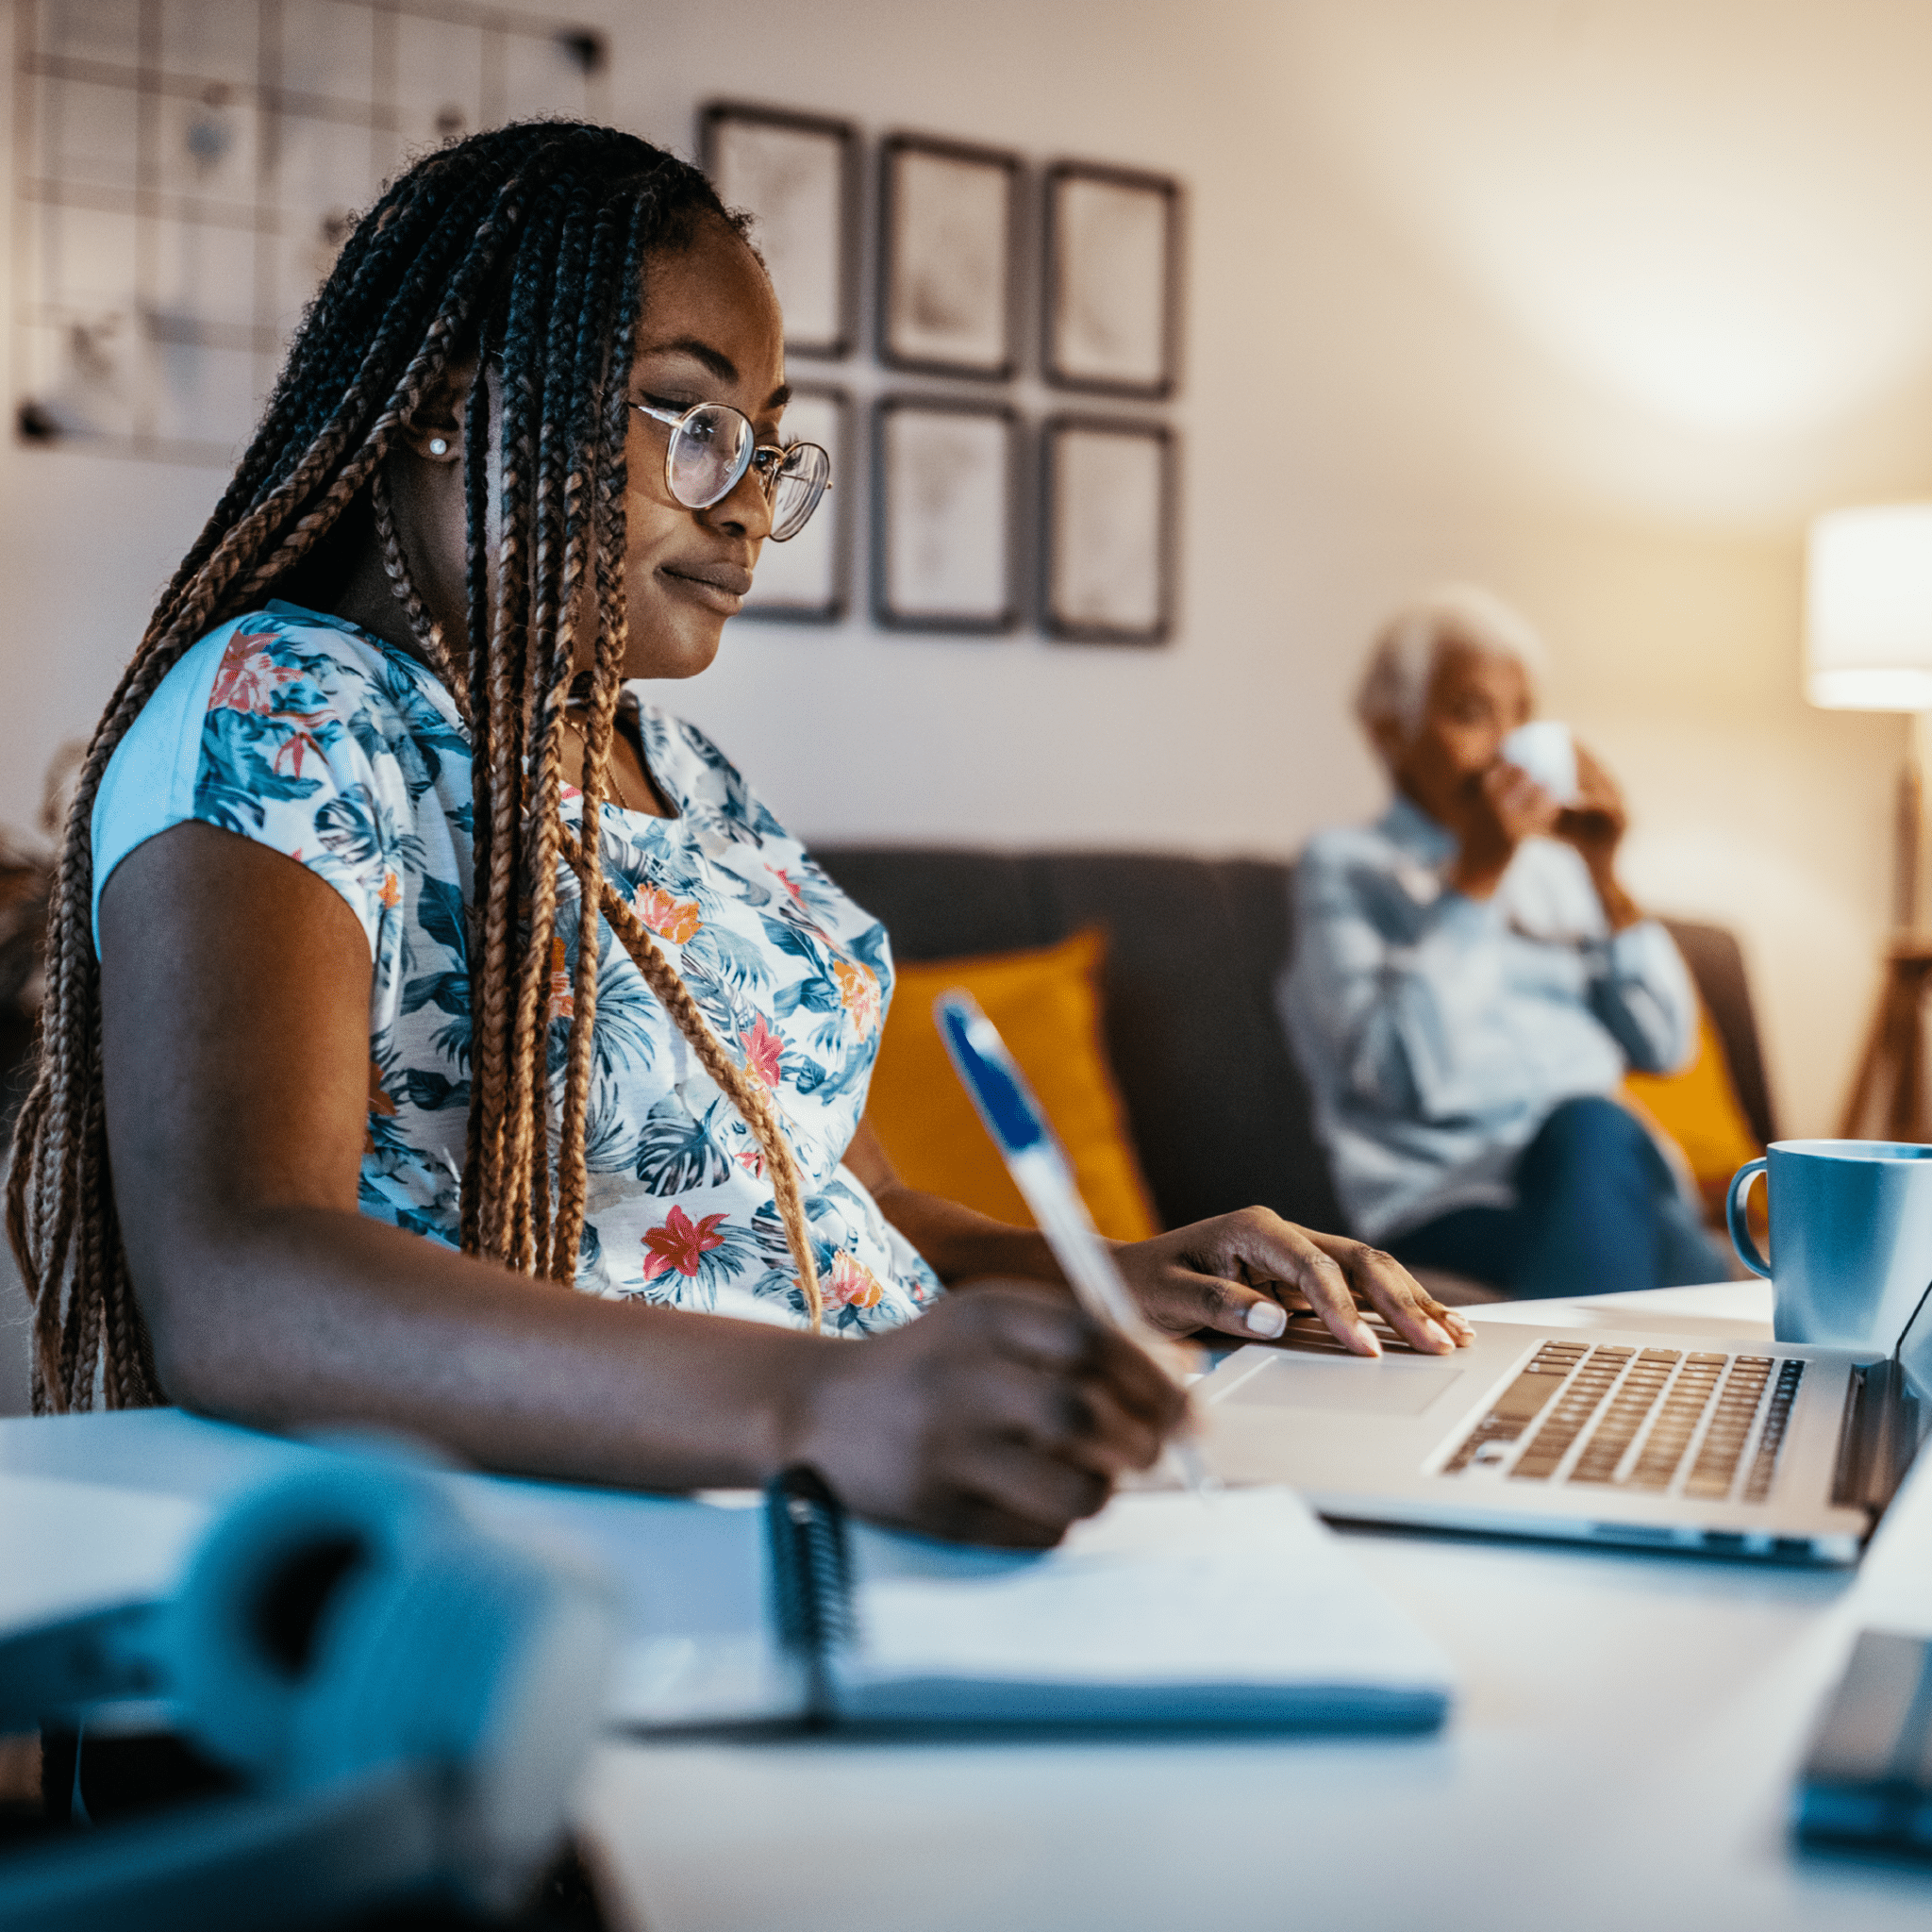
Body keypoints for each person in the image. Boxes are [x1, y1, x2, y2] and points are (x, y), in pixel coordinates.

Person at [8, 125, 1473, 1549]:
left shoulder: (682, 774)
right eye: (696, 424)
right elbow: (243, 1282)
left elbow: (850, 1202)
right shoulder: (287, 708)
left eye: (770, 448)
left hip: (854, 1494)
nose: (753, 506)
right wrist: (819, 1407)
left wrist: (1135, 1275)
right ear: (458, 396)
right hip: (593, 1538)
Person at [1280, 585, 1727, 1298]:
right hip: (1452, 1202)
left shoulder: (1557, 870)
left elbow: (1667, 1047)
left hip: (1599, 1175)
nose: (1505, 747)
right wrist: (1477, 881)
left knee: (1601, 1140)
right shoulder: (1346, 869)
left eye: (1520, 716)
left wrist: (1607, 881)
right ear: (1389, 730)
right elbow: (1403, 1073)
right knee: (1610, 1151)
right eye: (1470, 713)